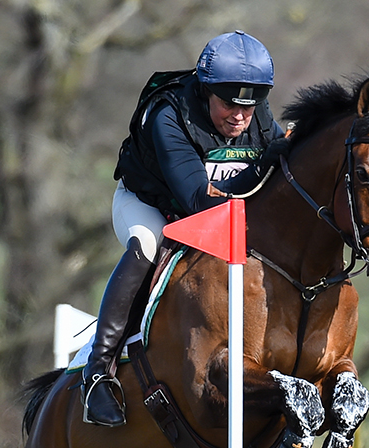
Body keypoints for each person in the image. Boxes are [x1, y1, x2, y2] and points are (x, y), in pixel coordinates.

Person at [83, 30, 290, 427]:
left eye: (251, 105)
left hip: (214, 209)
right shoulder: (168, 115)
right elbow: (199, 203)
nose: (240, 117)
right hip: (152, 205)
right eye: (229, 104)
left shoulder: (256, 114)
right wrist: (266, 165)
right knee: (148, 244)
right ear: (206, 89)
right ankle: (97, 374)